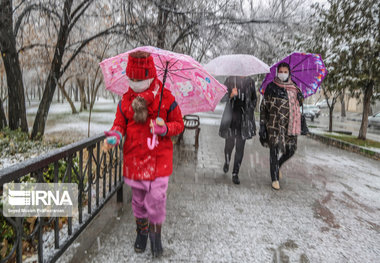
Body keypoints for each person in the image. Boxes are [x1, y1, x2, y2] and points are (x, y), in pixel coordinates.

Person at [104, 51, 184, 257]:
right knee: (138, 201)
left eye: (139, 79)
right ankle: (141, 231)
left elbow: (179, 124)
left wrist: (164, 128)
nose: (135, 83)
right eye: (132, 79)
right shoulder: (126, 100)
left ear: (150, 76)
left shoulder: (166, 98)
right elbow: (119, 124)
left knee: (156, 199)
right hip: (135, 159)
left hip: (159, 160)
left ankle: (156, 236)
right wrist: (115, 135)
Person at [259, 62, 303, 190]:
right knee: (274, 150)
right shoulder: (271, 87)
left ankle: (277, 165)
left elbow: (296, 107)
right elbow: (263, 108)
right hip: (273, 125)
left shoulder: (294, 88)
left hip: (289, 126)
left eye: (285, 71)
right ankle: (274, 178)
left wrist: (300, 98)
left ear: (289, 73)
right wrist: (262, 125)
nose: (282, 74)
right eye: (281, 71)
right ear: (277, 72)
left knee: (291, 149)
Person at [219, 76, 257, 184]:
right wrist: (230, 95)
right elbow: (222, 98)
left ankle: (235, 172)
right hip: (231, 119)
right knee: (229, 145)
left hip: (244, 121)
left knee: (240, 148)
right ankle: (227, 161)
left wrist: (249, 107)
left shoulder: (250, 82)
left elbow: (254, 99)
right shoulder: (230, 80)